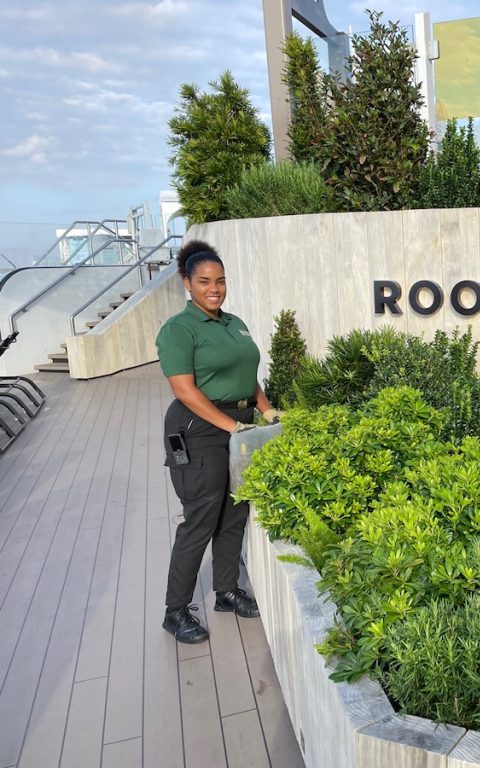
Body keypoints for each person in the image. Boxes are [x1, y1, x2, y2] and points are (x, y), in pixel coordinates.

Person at [156, 239, 280, 644]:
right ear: (187, 283)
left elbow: (248, 373)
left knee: (235, 511)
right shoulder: (179, 329)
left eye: (221, 281)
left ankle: (226, 590)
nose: (215, 288)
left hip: (240, 425)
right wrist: (231, 427)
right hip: (201, 430)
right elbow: (185, 391)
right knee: (201, 519)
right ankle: (176, 612)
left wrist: (265, 409)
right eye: (205, 281)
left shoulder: (234, 323)